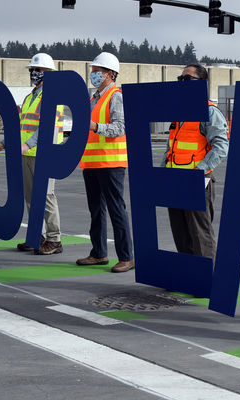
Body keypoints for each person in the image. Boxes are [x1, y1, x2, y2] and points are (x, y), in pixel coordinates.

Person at [0, 53, 65, 255]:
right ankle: (36, 236)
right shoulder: (30, 96)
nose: (34, 73)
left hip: (45, 154)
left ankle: (54, 239)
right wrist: (5, 143)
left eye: (38, 70)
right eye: (32, 70)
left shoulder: (52, 97)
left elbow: (46, 128)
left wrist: (27, 145)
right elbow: (22, 126)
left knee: (47, 197)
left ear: (49, 73)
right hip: (28, 154)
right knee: (31, 198)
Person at [76, 52, 134, 273]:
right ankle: (99, 253)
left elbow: (120, 128)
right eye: (92, 71)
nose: (93, 75)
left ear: (110, 74)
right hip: (92, 163)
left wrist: (95, 127)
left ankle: (127, 257)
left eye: (96, 71)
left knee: (116, 209)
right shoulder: (94, 98)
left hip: (111, 162)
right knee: (96, 210)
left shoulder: (116, 96)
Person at [165, 64, 229, 260]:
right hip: (174, 180)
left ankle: (207, 277)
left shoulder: (210, 112)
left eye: (187, 79)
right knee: (180, 232)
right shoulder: (179, 111)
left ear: (201, 83)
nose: (182, 82)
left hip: (197, 181)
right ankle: (188, 275)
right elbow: (171, 148)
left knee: (200, 234)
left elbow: (221, 146)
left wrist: (199, 171)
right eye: (180, 79)